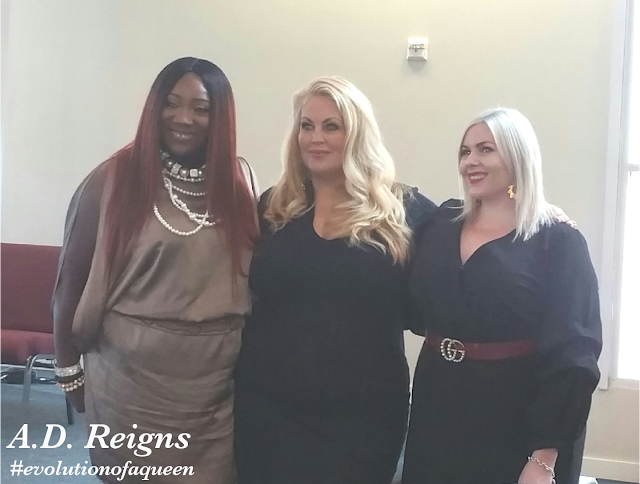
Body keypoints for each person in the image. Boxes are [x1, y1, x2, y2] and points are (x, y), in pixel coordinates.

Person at [52, 57, 258, 484]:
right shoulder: (113, 179)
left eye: (201, 108)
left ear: (220, 116)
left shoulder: (239, 182)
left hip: (212, 391)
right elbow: (69, 284)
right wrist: (68, 371)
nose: (183, 118)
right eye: (171, 103)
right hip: (131, 385)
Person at [233, 76, 436, 484]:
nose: (315, 138)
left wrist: (531, 208)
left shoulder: (404, 211)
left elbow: (472, 238)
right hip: (268, 409)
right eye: (306, 126)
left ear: (357, 134)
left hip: (362, 418)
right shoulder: (275, 208)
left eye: (331, 126)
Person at [401, 108, 602, 484]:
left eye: (485, 149)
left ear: (517, 156)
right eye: (465, 151)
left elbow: (574, 355)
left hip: (516, 414)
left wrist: (543, 457)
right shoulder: (441, 223)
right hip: (437, 403)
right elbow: (381, 194)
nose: (470, 161)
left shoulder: (557, 240)